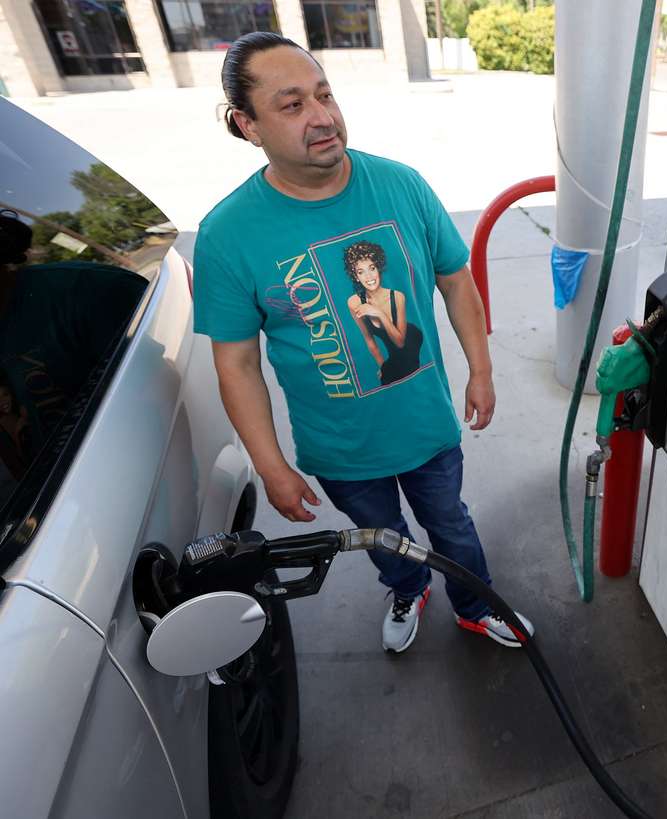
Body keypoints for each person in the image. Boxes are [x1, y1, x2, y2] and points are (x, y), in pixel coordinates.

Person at [193, 31, 532, 652]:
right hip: (340, 449)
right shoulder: (226, 234)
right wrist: (272, 468)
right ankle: (406, 587)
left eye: (325, 95)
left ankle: (474, 601)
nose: (322, 118)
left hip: (425, 425)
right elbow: (237, 365)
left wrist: (480, 371)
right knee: (381, 536)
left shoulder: (400, 185)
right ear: (248, 124)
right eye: (292, 105)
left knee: (451, 526)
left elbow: (456, 282)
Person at [342, 239, 424, 384]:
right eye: (361, 272)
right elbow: (369, 339)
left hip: (410, 342)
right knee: (388, 378)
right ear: (356, 276)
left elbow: (400, 342)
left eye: (372, 268)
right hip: (394, 356)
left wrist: (378, 313)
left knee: (411, 378)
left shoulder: (397, 297)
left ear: (378, 268)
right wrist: (383, 366)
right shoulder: (354, 302)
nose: (369, 277)